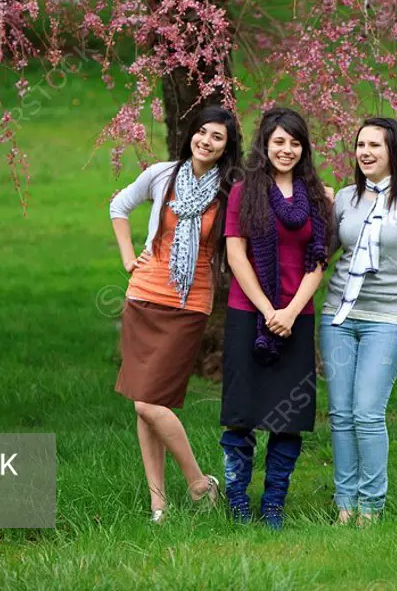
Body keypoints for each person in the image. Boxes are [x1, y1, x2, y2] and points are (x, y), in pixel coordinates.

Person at [110, 105, 243, 524]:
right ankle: (158, 504)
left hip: (188, 303)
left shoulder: (230, 190)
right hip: (144, 296)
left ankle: (200, 484)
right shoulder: (163, 174)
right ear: (191, 134)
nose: (206, 140)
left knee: (150, 403)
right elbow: (119, 204)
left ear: (226, 147)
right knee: (142, 405)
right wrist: (130, 256)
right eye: (201, 132)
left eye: (216, 137)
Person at [219, 107, 333, 530]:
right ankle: (237, 501)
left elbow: (318, 259)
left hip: (297, 316)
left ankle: (272, 506)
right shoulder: (243, 192)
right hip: (249, 314)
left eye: (295, 142)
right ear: (265, 144)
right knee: (242, 411)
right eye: (279, 141)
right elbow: (235, 255)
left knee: (290, 419)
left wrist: (289, 310)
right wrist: (269, 311)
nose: (287, 149)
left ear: (304, 148)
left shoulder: (318, 195)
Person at [319, 116, 397, 526]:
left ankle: (371, 506)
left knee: (367, 411)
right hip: (339, 316)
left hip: (389, 318)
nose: (365, 153)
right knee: (341, 413)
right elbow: (324, 253)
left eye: (375, 146)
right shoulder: (345, 199)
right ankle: (345, 505)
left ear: (393, 152)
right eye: (360, 145)